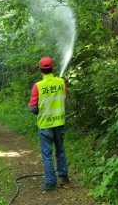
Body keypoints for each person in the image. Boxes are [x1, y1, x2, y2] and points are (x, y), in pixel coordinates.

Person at [28, 56, 70, 191]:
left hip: (45, 125)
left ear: (40, 70)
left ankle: (51, 183)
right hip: (59, 123)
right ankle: (63, 177)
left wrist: (36, 111)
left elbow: (33, 107)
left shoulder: (38, 86)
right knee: (60, 150)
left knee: (47, 154)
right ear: (53, 68)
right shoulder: (61, 82)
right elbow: (66, 97)